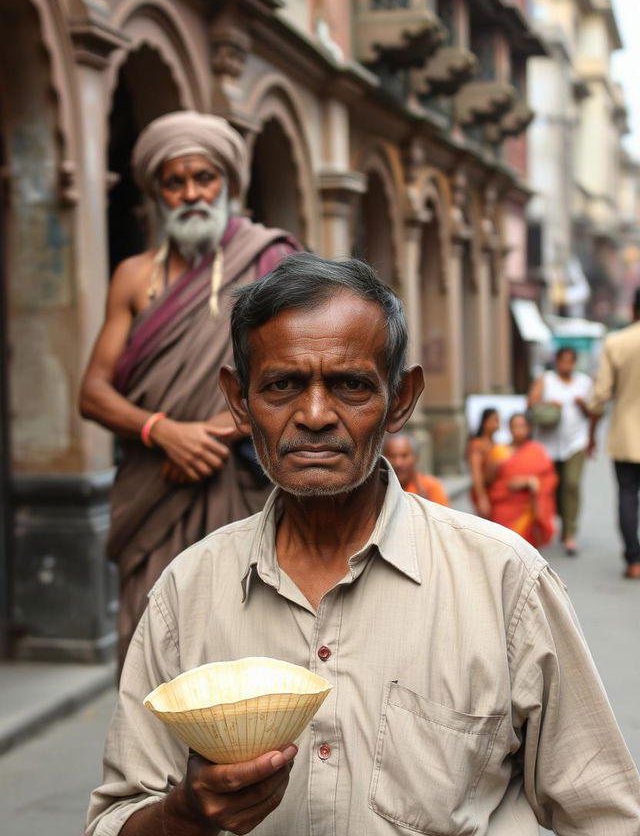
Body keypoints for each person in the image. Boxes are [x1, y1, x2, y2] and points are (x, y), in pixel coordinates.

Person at [86, 255, 640, 836]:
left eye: (351, 385)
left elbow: (605, 816)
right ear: (239, 401)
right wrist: (183, 816)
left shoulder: (504, 581)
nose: (316, 415)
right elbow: (113, 820)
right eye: (282, 386)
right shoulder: (186, 592)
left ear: (400, 399)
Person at [79, 111, 300, 669]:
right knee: (149, 647)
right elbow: (93, 392)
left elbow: (299, 373)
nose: (191, 193)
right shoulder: (134, 276)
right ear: (157, 193)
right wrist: (164, 432)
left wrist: (215, 436)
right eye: (174, 182)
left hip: (242, 485)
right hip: (152, 490)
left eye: (204, 178)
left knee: (244, 648)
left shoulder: (271, 262)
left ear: (227, 183)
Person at [589, 288, 640, 579]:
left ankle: (634, 561)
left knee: (628, 494)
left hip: (627, 435)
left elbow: (600, 396)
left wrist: (591, 433)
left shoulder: (617, 342)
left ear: (633, 309)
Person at [528, 347, 592, 555]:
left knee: (571, 485)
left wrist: (583, 405)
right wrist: (548, 404)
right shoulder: (545, 379)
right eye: (563, 361)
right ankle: (551, 524)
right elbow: (531, 403)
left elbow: (594, 412)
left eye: (570, 362)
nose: (566, 366)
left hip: (575, 443)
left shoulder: (584, 382)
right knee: (552, 488)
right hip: (547, 445)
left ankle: (570, 533)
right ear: (557, 362)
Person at [484, 413, 557, 548]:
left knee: (526, 549)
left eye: (522, 426)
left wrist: (530, 482)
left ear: (529, 429)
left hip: (528, 507)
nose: (518, 430)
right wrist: (496, 466)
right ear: (509, 429)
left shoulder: (537, 451)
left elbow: (549, 479)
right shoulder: (499, 451)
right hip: (504, 503)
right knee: (503, 544)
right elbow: (488, 481)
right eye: (514, 426)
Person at [382, 433, 449, 505]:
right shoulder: (378, 489)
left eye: (404, 456)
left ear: (416, 457)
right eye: (392, 456)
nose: (398, 463)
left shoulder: (430, 486)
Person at [466, 406, 500, 518]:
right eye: (495, 420)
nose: (498, 424)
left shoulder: (495, 444)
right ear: (485, 422)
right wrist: (482, 498)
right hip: (484, 491)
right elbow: (476, 473)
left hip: (496, 490)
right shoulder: (477, 444)